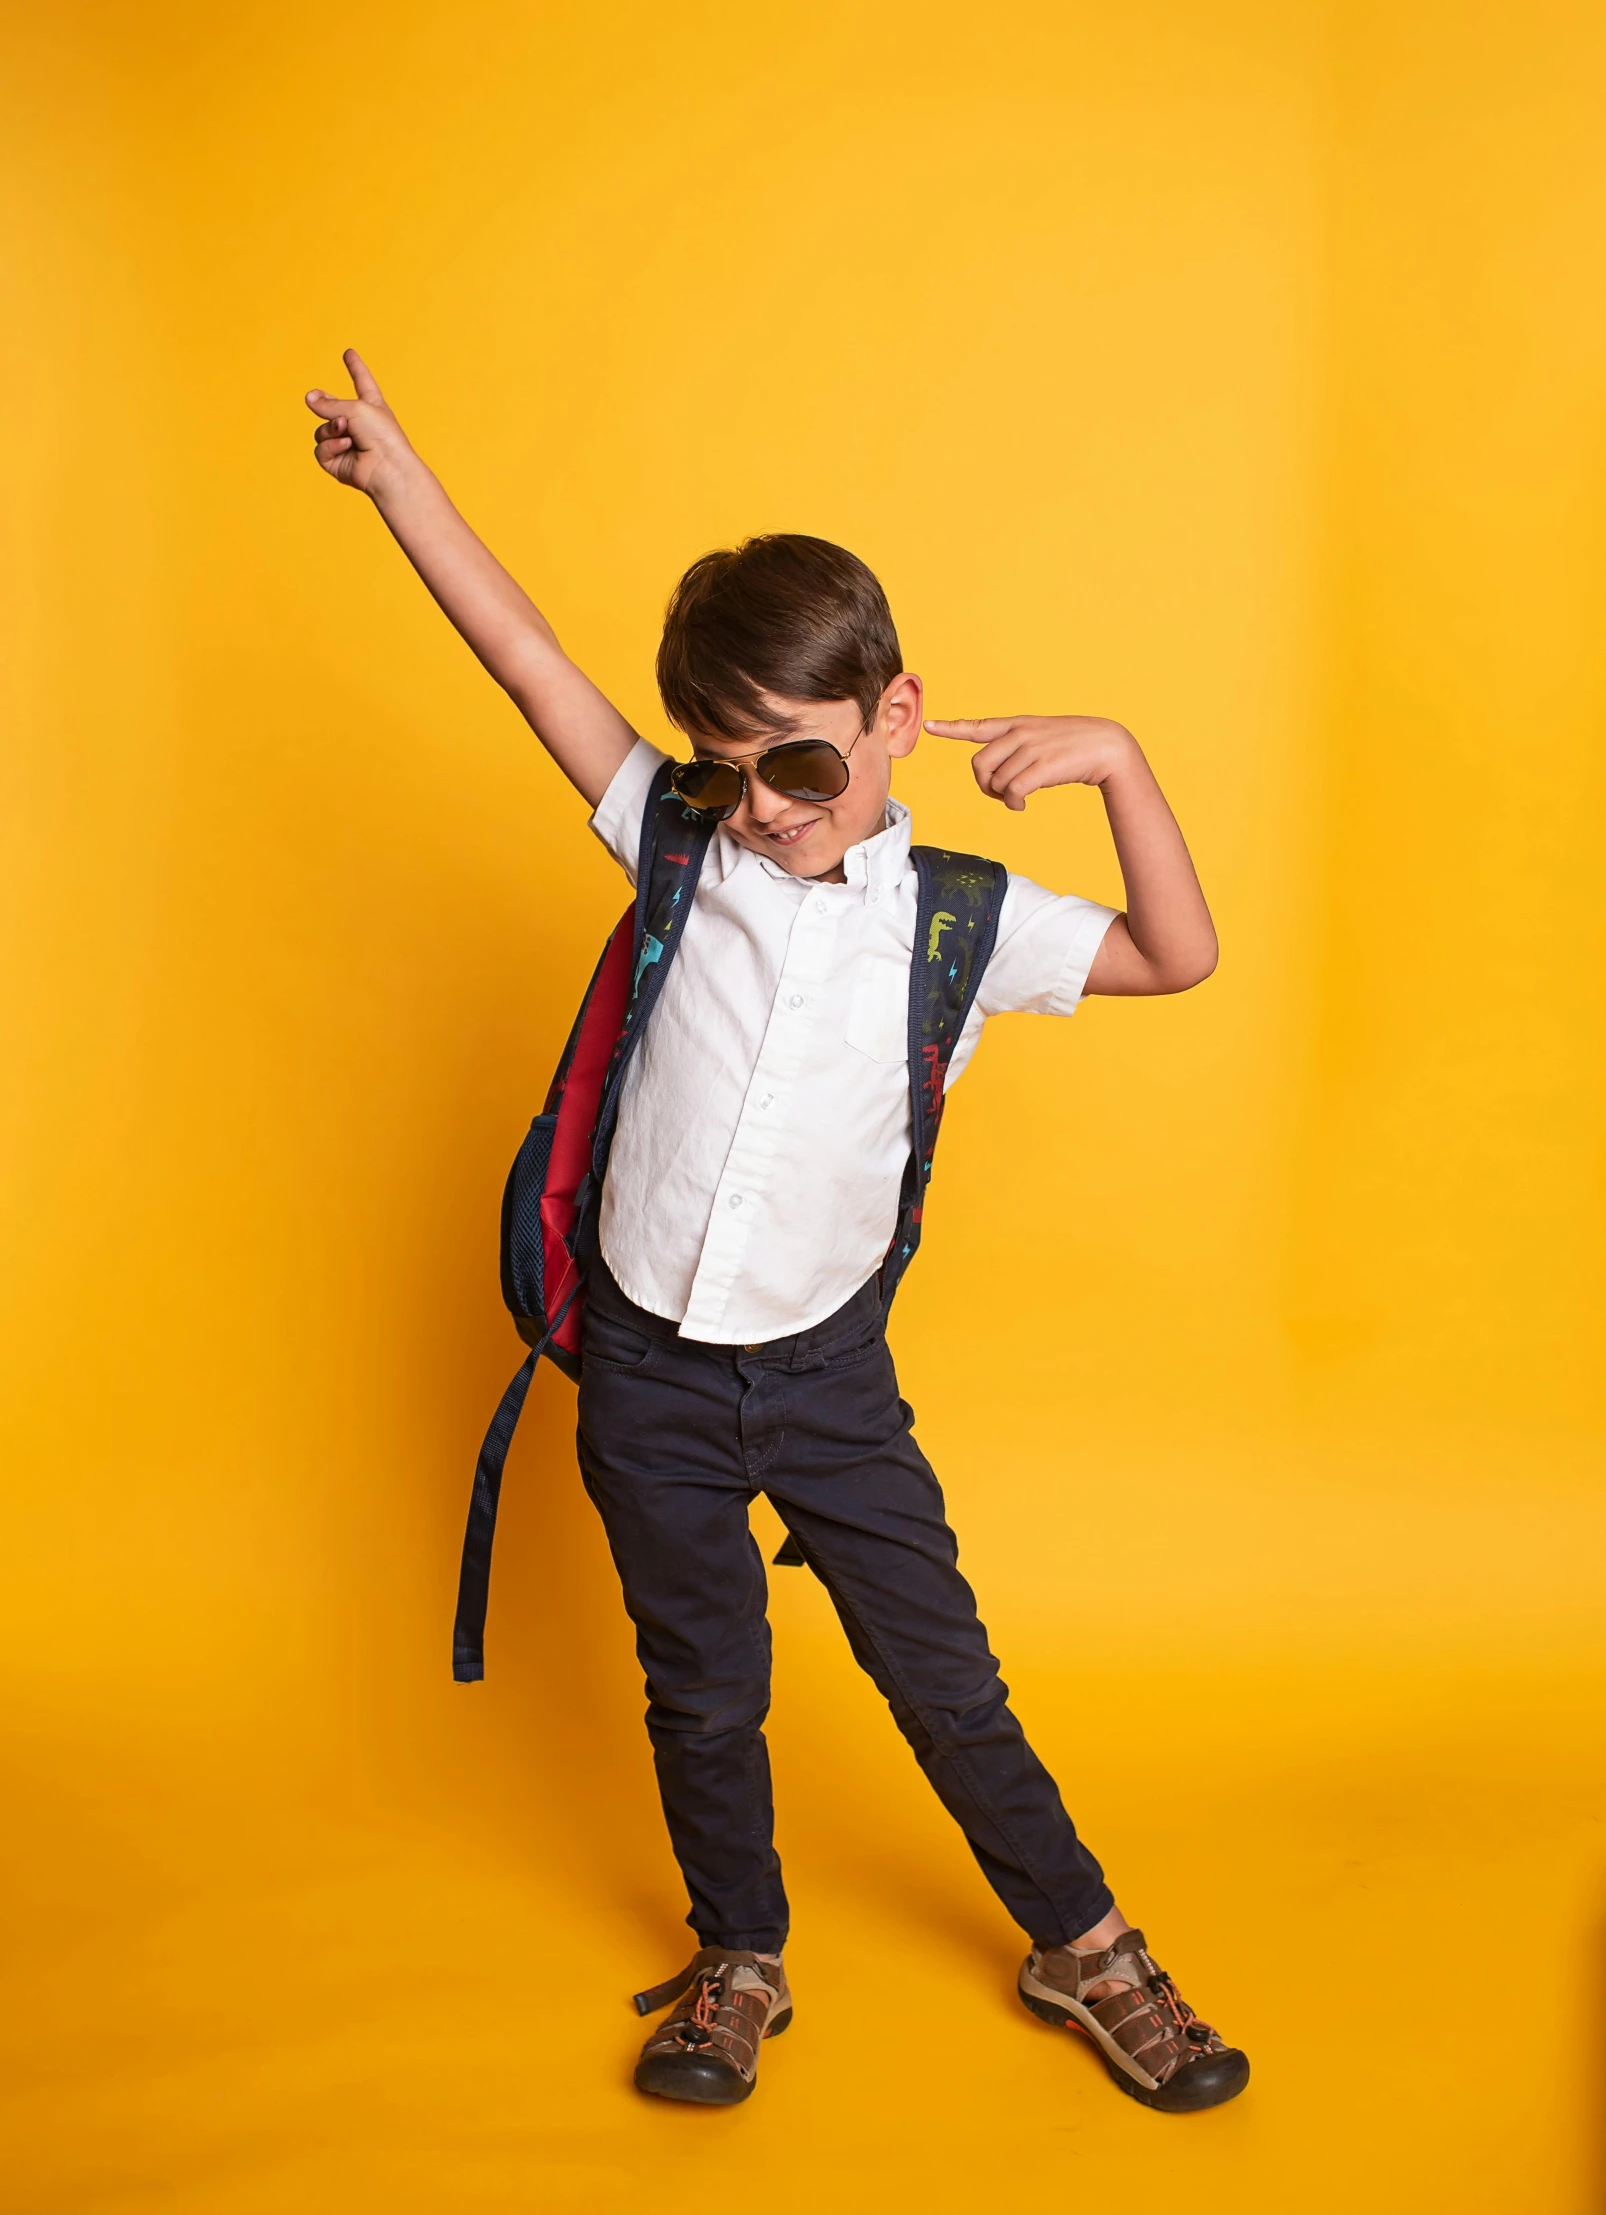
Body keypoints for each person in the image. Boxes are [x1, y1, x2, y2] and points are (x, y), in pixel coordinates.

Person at [305, 349, 1248, 2117]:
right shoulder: (677, 841)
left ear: (899, 715)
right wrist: (399, 482)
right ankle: (740, 1951)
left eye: (800, 759)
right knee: (701, 1689)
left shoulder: (965, 921)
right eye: (728, 767)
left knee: (943, 1681)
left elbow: (1173, 951)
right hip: (646, 1372)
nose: (764, 802)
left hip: (825, 1379)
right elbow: (528, 661)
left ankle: (1086, 1945)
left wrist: (1122, 760)